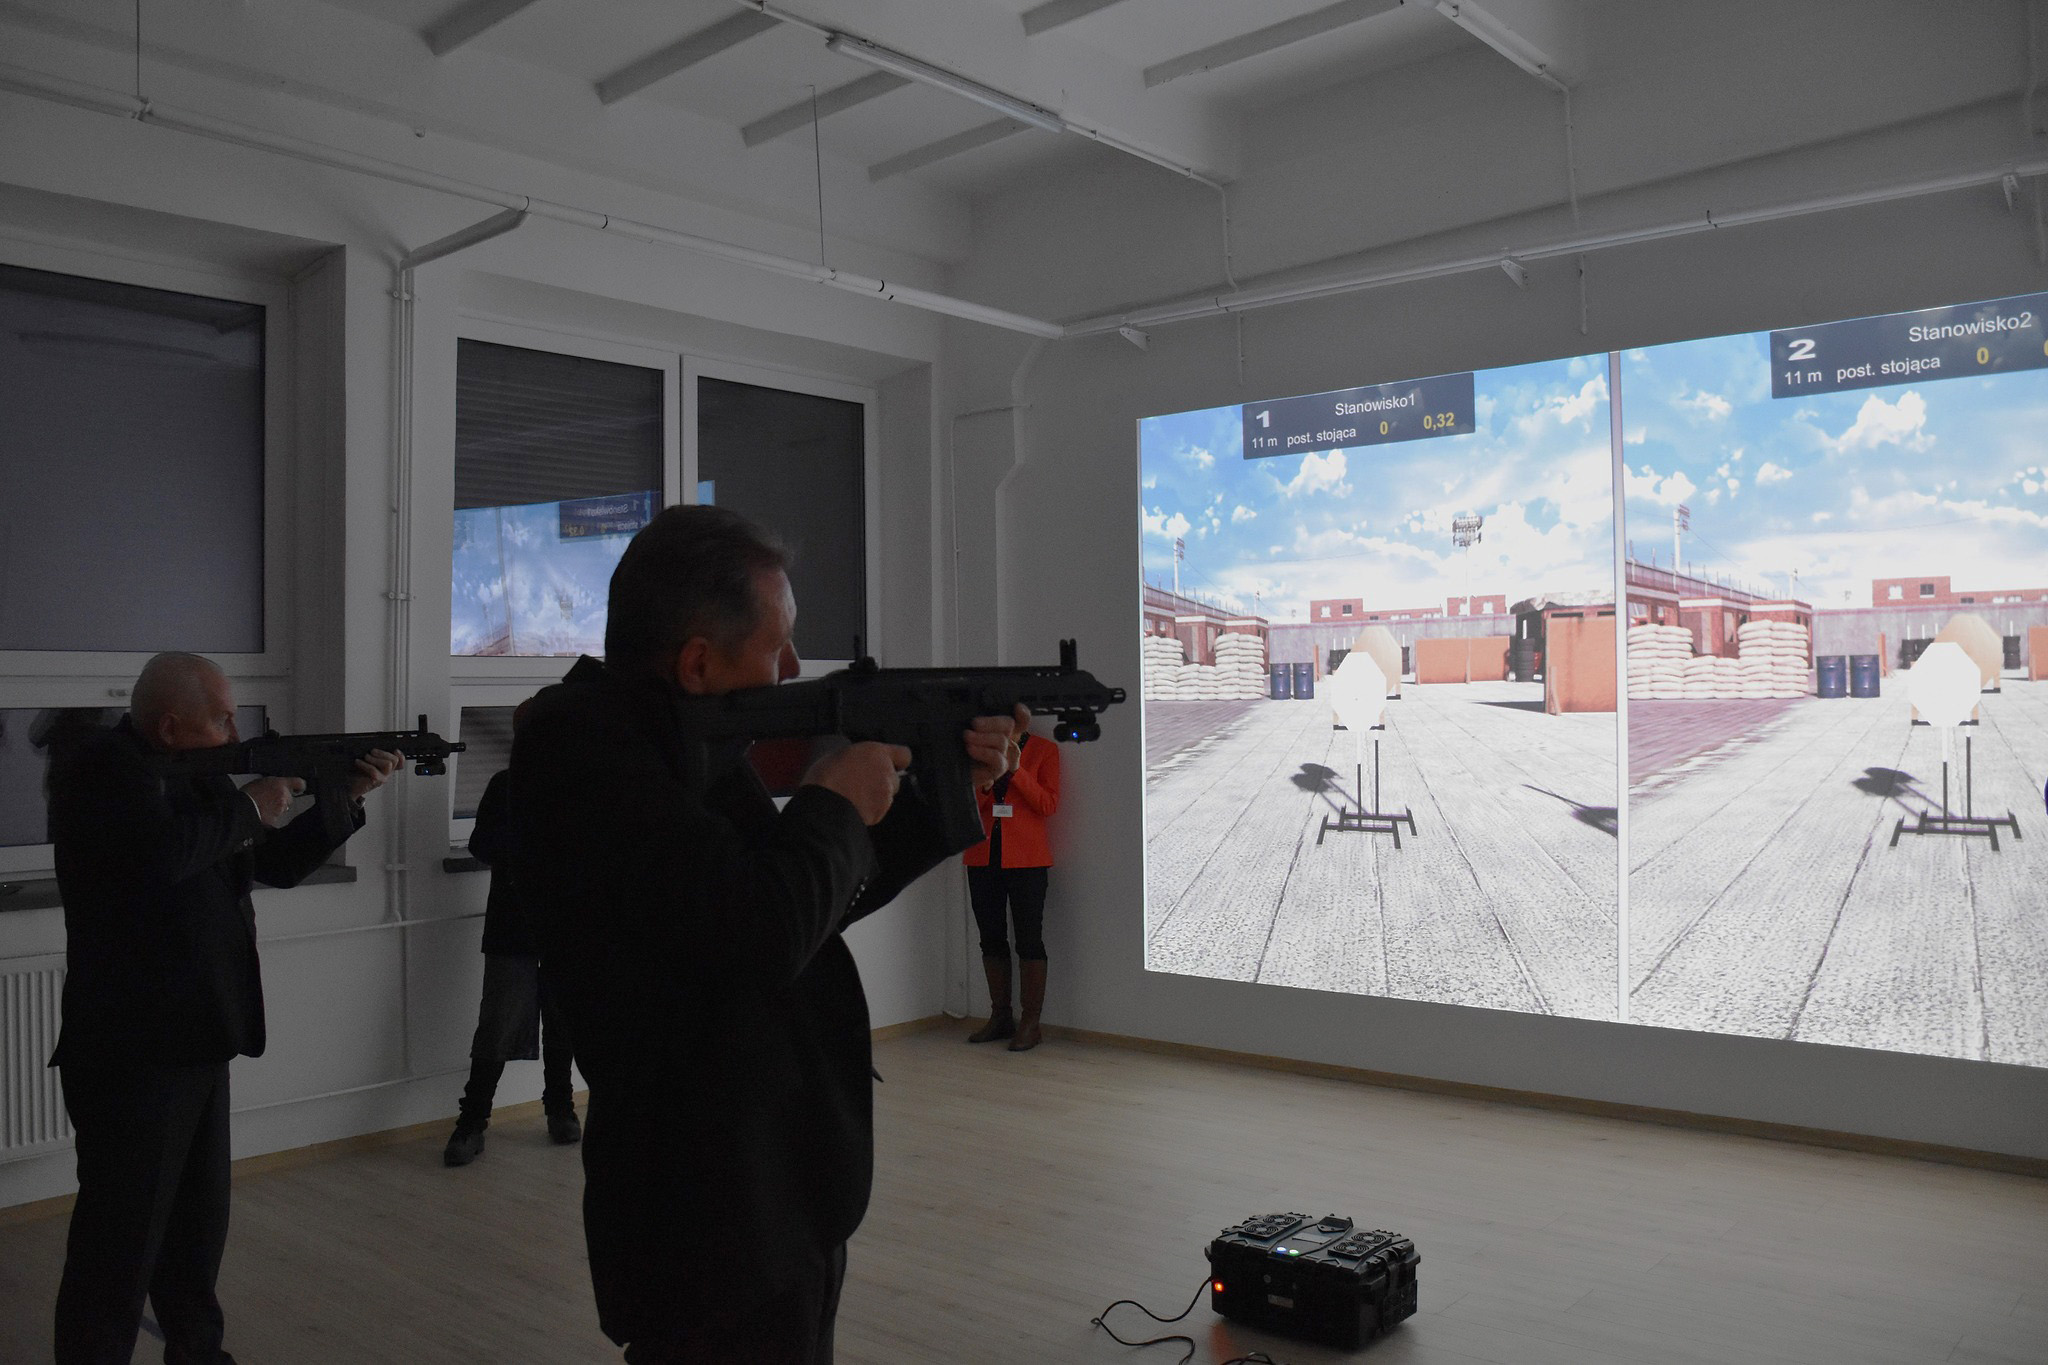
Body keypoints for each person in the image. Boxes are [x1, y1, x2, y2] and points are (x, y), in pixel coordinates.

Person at [511, 505, 1023, 1364]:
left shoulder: (672, 741)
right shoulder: (589, 754)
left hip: (768, 1174)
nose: (791, 669)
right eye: (778, 645)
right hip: (704, 1200)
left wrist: (942, 794)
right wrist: (831, 802)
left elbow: (808, 901)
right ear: (698, 662)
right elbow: (762, 928)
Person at [46, 653, 401, 1365]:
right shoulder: (102, 772)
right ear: (169, 726)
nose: (236, 732)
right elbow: (153, 862)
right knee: (120, 1244)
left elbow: (270, 864)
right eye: (222, 719)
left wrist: (345, 798)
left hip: (200, 1035)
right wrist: (247, 807)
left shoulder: (195, 774)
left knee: (196, 1233)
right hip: (135, 1050)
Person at [443, 700, 580, 1166]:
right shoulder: (505, 785)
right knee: (498, 1025)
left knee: (563, 1022)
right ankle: (471, 1122)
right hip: (513, 926)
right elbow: (482, 845)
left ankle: (560, 1108)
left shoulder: (582, 788)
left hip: (567, 928)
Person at [961, 718, 1061, 1051]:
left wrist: (1017, 771)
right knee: (990, 938)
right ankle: (1000, 1016)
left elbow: (1047, 804)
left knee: (1029, 939)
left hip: (1028, 861)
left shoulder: (1045, 750)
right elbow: (966, 807)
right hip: (982, 856)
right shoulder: (979, 755)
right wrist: (987, 782)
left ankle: (1031, 1023)